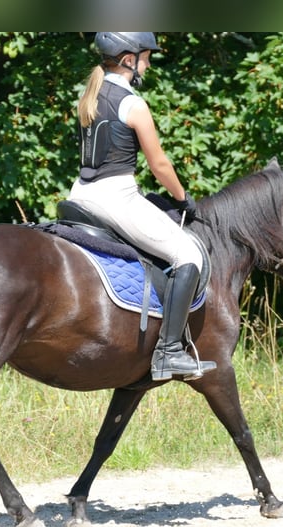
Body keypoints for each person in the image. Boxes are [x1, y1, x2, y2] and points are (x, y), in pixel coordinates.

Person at [68, 32, 216, 382]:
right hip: (116, 198)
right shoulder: (133, 103)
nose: (148, 64)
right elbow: (159, 165)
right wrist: (182, 198)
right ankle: (168, 352)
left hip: (80, 195)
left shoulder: (90, 95)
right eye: (146, 57)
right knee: (188, 255)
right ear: (129, 59)